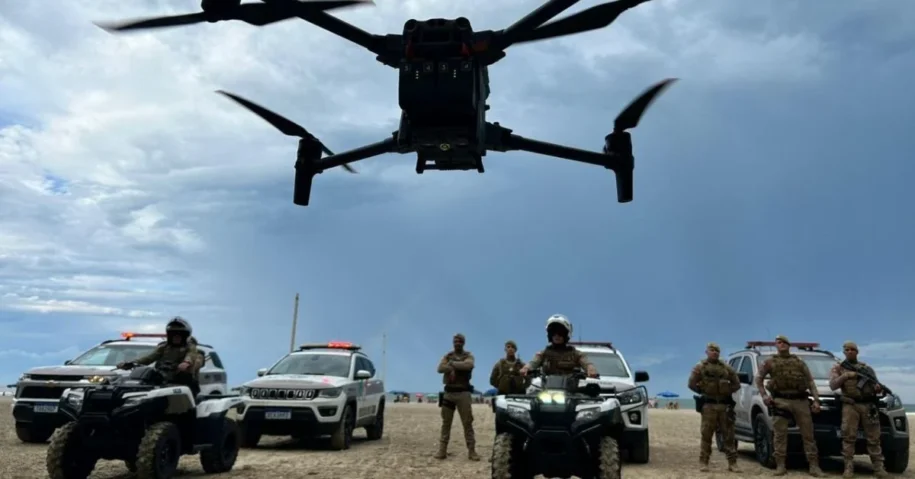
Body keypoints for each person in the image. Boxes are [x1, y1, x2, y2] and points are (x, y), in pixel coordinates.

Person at [755, 335, 824, 477]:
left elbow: (810, 382)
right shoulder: (770, 362)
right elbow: (759, 379)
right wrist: (764, 396)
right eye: (779, 342)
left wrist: (816, 400)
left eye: (784, 342)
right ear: (776, 345)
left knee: (808, 435)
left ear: (789, 345)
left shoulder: (799, 362)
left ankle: (814, 466)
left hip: (801, 401)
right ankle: (780, 466)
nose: (782, 345)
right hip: (780, 401)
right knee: (780, 435)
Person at [829, 341, 889, 478]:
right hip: (850, 405)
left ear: (857, 352)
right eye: (847, 350)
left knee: (874, 437)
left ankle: (879, 468)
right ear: (844, 352)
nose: (850, 352)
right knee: (848, 437)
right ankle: (848, 468)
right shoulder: (839, 368)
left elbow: (875, 385)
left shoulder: (867, 369)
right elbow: (833, 385)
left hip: (868, 405)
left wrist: (877, 389)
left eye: (853, 350)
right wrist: (846, 376)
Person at [688, 342, 741, 473]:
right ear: (706, 352)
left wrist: (727, 391)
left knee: (729, 435)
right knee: (706, 434)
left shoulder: (726, 368)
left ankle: (732, 463)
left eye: (717, 351)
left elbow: (737, 383)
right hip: (709, 405)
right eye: (712, 350)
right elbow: (691, 383)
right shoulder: (700, 367)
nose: (715, 352)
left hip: (724, 406)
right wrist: (703, 391)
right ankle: (704, 462)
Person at [118, 317, 201, 397]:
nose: (176, 337)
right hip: (163, 379)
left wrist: (186, 362)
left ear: (185, 336)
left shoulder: (190, 347)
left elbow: (191, 355)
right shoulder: (164, 347)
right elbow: (149, 358)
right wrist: (132, 363)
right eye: (173, 335)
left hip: (182, 381)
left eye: (179, 335)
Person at [435, 333, 479, 461]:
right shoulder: (447, 355)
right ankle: (442, 450)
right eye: (455, 341)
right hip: (449, 393)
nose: (457, 343)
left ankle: (472, 451)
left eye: (460, 341)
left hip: (463, 393)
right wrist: (455, 365)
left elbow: (468, 365)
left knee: (467, 423)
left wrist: (452, 364)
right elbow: (439, 368)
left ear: (463, 343)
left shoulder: (468, 355)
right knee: (446, 422)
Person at [519, 314, 598, 378]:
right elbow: (533, 362)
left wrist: (590, 368)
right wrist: (526, 368)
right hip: (546, 391)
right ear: (550, 335)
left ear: (566, 335)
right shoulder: (543, 353)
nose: (557, 336)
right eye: (553, 333)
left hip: (571, 391)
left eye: (560, 333)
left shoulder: (576, 354)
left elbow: (586, 362)